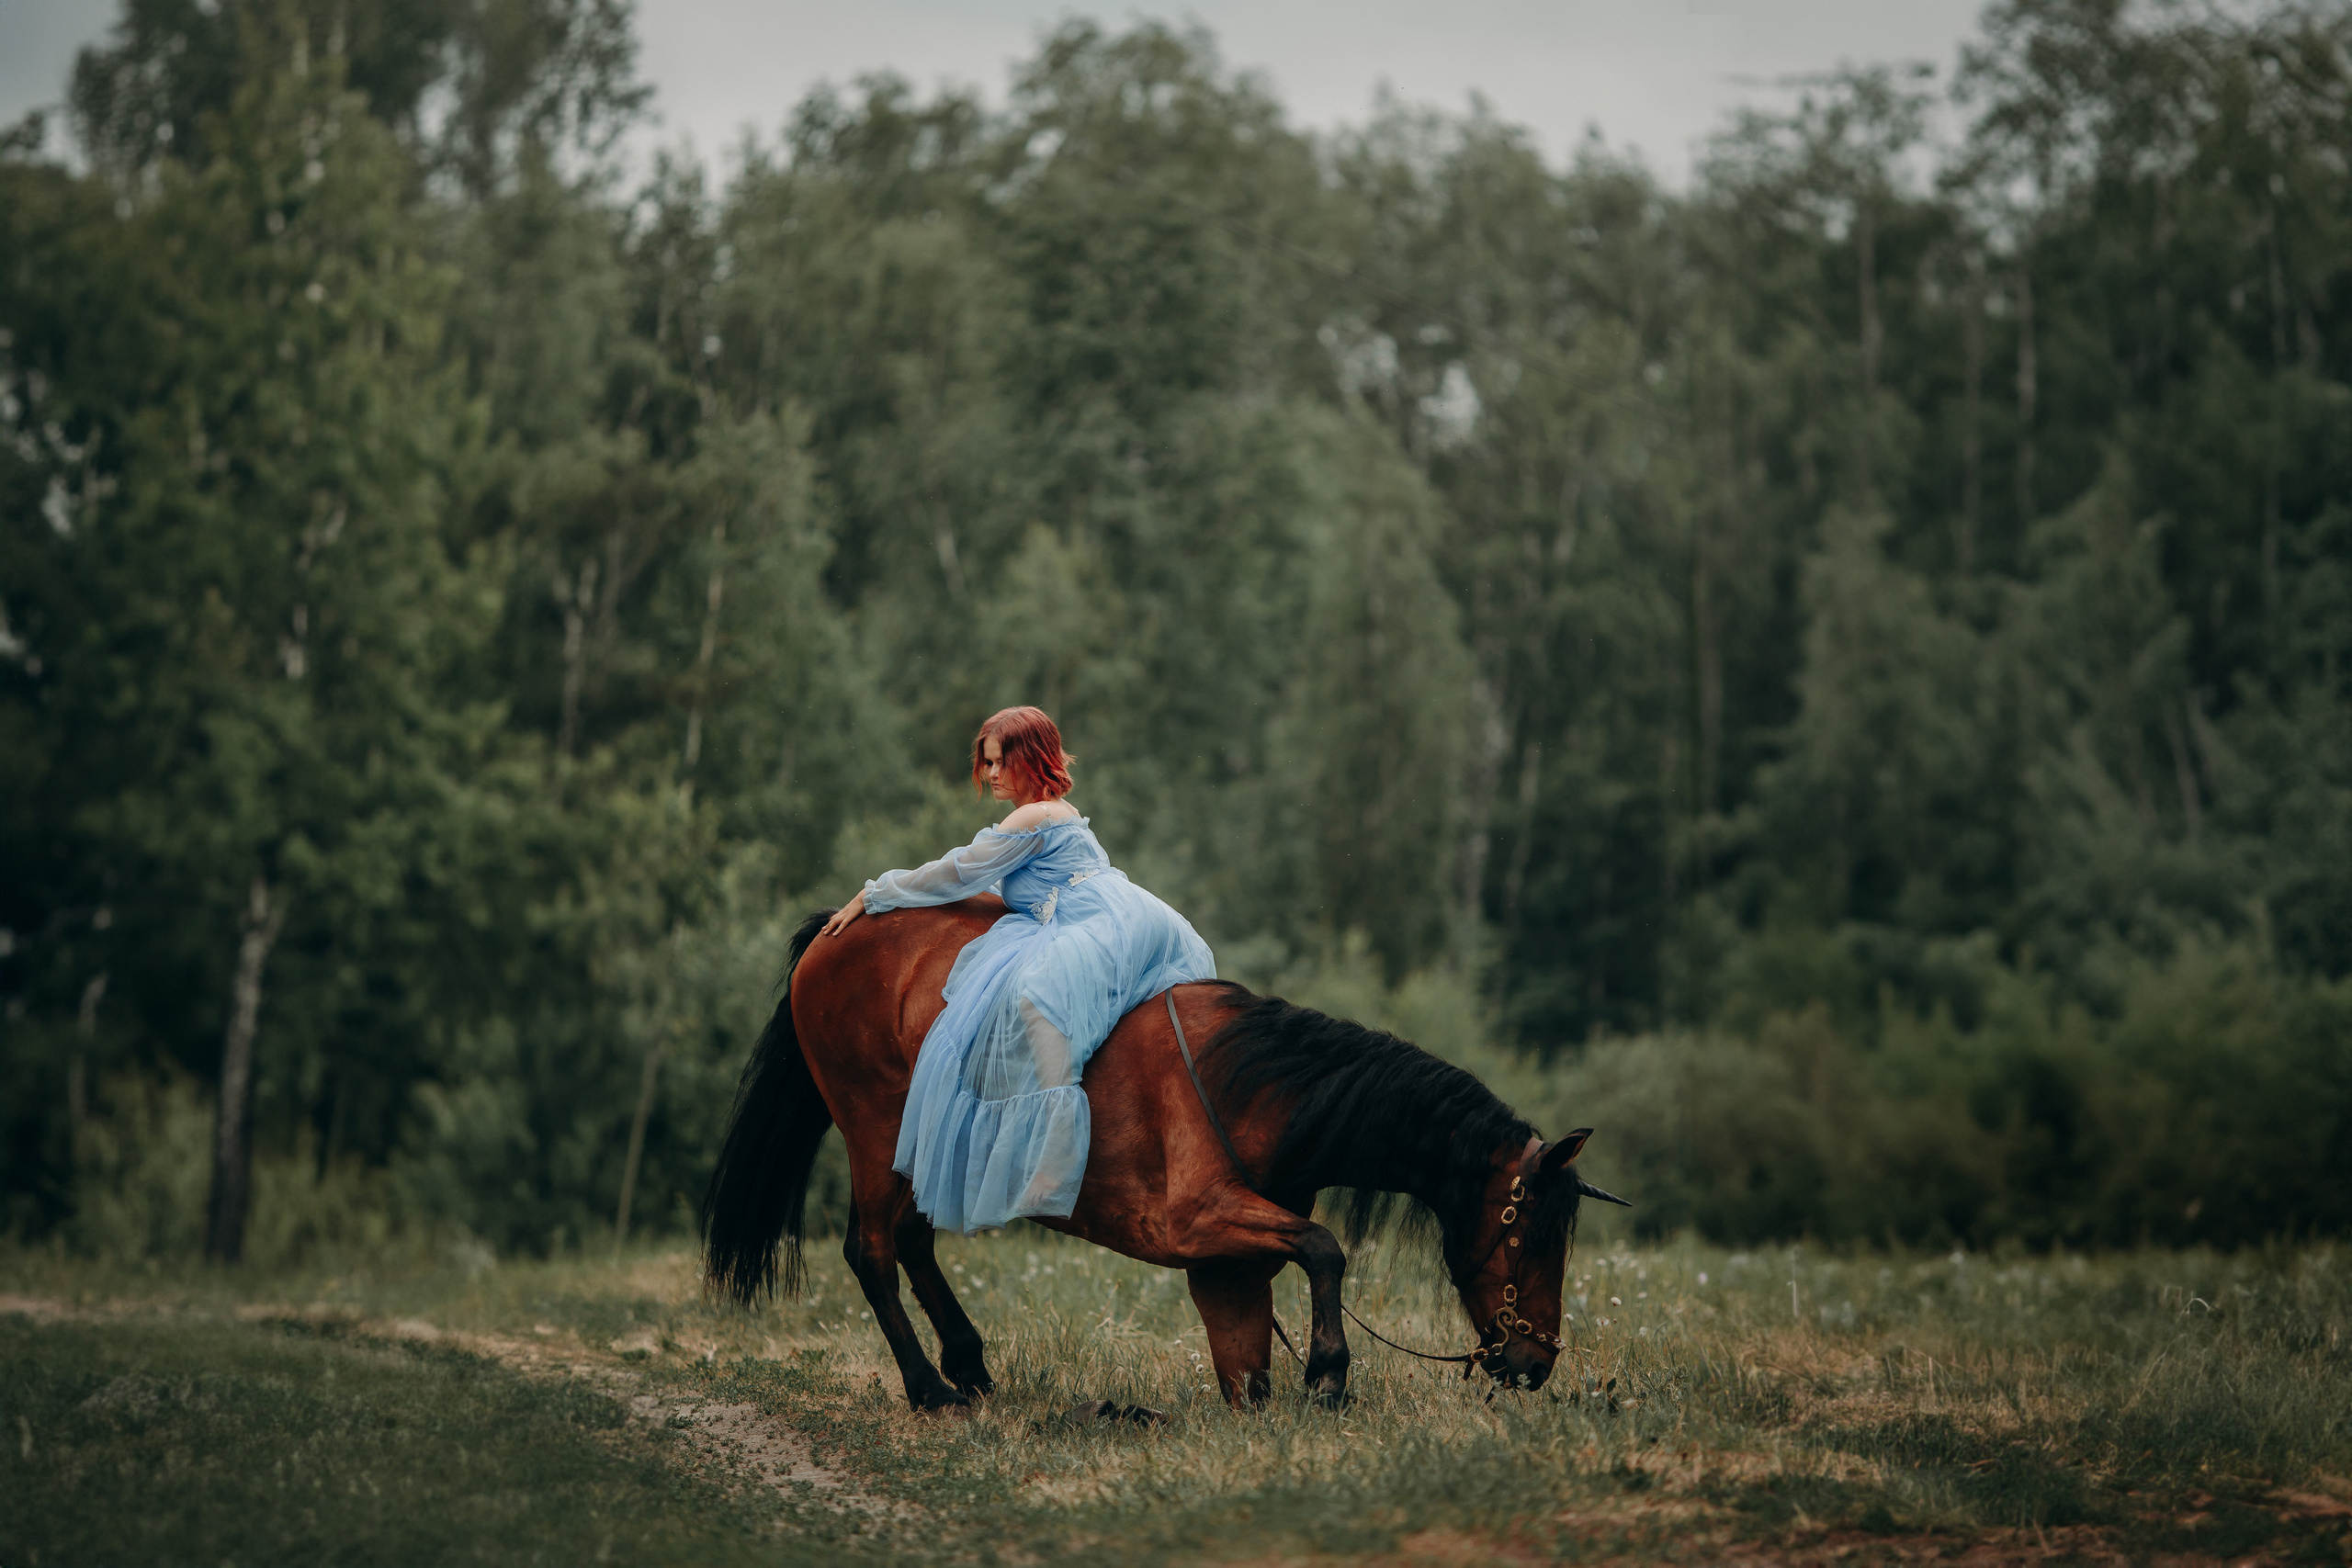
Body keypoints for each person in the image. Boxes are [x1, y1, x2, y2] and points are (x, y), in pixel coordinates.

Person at [819, 706, 1216, 1234]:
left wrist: (876, 893)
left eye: (1002, 762)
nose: (991, 774)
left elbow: (957, 872)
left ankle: (1053, 1161)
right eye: (986, 764)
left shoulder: (1034, 815)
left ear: (1032, 759)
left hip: (1099, 919)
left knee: (1035, 996)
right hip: (1118, 914)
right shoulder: (1050, 812)